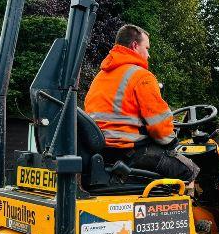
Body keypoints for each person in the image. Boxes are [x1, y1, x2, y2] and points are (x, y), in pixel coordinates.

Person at [84, 24, 199, 182]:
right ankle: (186, 205)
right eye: (147, 48)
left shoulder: (100, 78)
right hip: (130, 154)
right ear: (134, 46)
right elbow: (159, 127)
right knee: (190, 170)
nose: (148, 54)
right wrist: (172, 142)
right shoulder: (141, 77)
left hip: (103, 152)